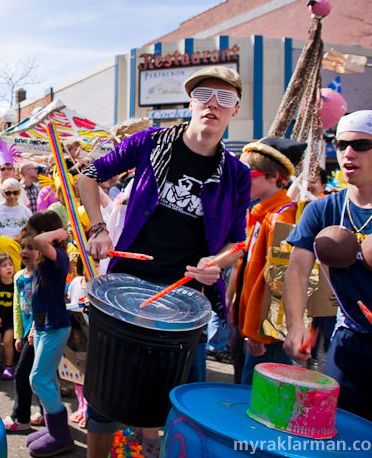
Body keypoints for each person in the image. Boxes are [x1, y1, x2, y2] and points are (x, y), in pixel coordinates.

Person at [80, 65, 250, 458]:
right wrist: (97, 228)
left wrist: (218, 264)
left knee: (179, 403)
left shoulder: (236, 174)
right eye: (204, 95)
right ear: (190, 102)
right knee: (107, 395)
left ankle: (156, 446)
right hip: (126, 291)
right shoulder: (151, 143)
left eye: (224, 98)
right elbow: (89, 175)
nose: (213, 104)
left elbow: (237, 241)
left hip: (186, 302)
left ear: (235, 109)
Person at [283, 110, 372, 434]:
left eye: (361, 144)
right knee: (342, 434)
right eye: (340, 143)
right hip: (349, 343)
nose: (347, 153)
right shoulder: (322, 209)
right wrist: (295, 326)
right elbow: (297, 271)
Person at [235, 137, 306, 384]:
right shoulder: (260, 213)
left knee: (260, 399)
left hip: (267, 336)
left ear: (273, 176)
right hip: (254, 330)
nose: (240, 179)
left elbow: (281, 283)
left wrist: (262, 334)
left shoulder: (282, 217)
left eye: (247, 173)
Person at [23, 211, 75, 456]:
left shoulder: (59, 258)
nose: (31, 240)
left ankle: (60, 435)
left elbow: (42, 242)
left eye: (33, 234)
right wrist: (34, 327)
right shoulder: (43, 262)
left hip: (56, 326)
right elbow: (37, 301)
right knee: (47, 378)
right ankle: (55, 428)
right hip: (44, 327)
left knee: (38, 378)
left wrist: (58, 233)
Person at [3, 233, 43, 432]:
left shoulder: (43, 275)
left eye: (31, 247)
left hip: (42, 332)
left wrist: (34, 328)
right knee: (37, 374)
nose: (26, 252)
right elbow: (17, 308)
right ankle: (45, 414)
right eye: (23, 247)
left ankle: (21, 417)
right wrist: (19, 334)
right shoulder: (19, 277)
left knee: (24, 374)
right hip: (27, 333)